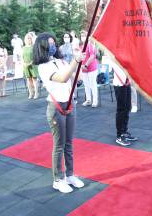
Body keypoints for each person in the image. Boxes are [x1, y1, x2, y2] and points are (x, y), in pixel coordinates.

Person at [34, 32, 86, 193]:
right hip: (56, 107)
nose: (52, 46)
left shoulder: (62, 61)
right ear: (41, 47)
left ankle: (70, 175)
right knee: (59, 145)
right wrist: (74, 63)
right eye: (49, 44)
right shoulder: (43, 67)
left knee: (69, 143)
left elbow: (73, 79)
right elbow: (62, 78)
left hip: (70, 105)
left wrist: (78, 69)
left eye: (53, 43)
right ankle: (58, 178)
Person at [110, 61, 138, 146]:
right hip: (119, 84)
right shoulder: (114, 54)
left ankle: (124, 131)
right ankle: (119, 136)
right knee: (121, 110)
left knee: (127, 107)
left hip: (126, 83)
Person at [79, 30, 98, 107]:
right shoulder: (81, 46)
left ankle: (95, 100)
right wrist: (81, 66)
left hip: (91, 68)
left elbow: (92, 56)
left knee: (93, 84)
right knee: (86, 85)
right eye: (81, 36)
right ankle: (88, 100)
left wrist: (86, 65)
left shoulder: (90, 45)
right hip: (84, 69)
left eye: (84, 35)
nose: (82, 37)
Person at [23, 32, 39, 99]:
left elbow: (36, 56)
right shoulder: (23, 48)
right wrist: (24, 63)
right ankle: (31, 93)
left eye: (29, 38)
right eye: (27, 38)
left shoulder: (34, 47)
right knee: (28, 79)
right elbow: (22, 57)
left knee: (34, 79)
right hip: (26, 66)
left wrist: (30, 63)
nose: (28, 39)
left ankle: (36, 93)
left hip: (33, 65)